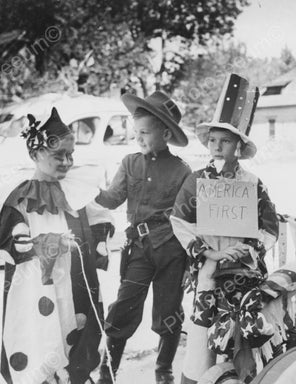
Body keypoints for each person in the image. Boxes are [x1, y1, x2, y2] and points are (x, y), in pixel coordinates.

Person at [170, 73, 279, 384]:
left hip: (243, 270)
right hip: (209, 269)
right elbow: (180, 221)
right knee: (204, 335)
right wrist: (211, 252)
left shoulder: (252, 183)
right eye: (213, 140)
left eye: (226, 141)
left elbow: (269, 226)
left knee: (242, 333)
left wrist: (249, 249)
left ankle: (243, 376)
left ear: (239, 146)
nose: (217, 147)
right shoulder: (196, 181)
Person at [0, 107, 114, 384]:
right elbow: (10, 245)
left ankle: (73, 375)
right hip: (36, 290)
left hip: (75, 284)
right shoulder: (21, 199)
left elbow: (98, 223)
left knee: (76, 330)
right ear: (35, 154)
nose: (66, 162)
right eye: (57, 155)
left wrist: (101, 235)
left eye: (70, 155)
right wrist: (52, 244)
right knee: (42, 338)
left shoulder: (75, 190)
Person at [95, 91, 191, 384]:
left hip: (171, 252)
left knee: (169, 313)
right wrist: (89, 190)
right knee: (123, 307)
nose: (138, 138)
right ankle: (106, 372)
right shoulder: (129, 163)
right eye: (136, 132)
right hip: (138, 250)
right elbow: (112, 199)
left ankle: (164, 371)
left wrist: (188, 262)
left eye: (145, 132)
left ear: (164, 133)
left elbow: (187, 219)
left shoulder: (182, 170)